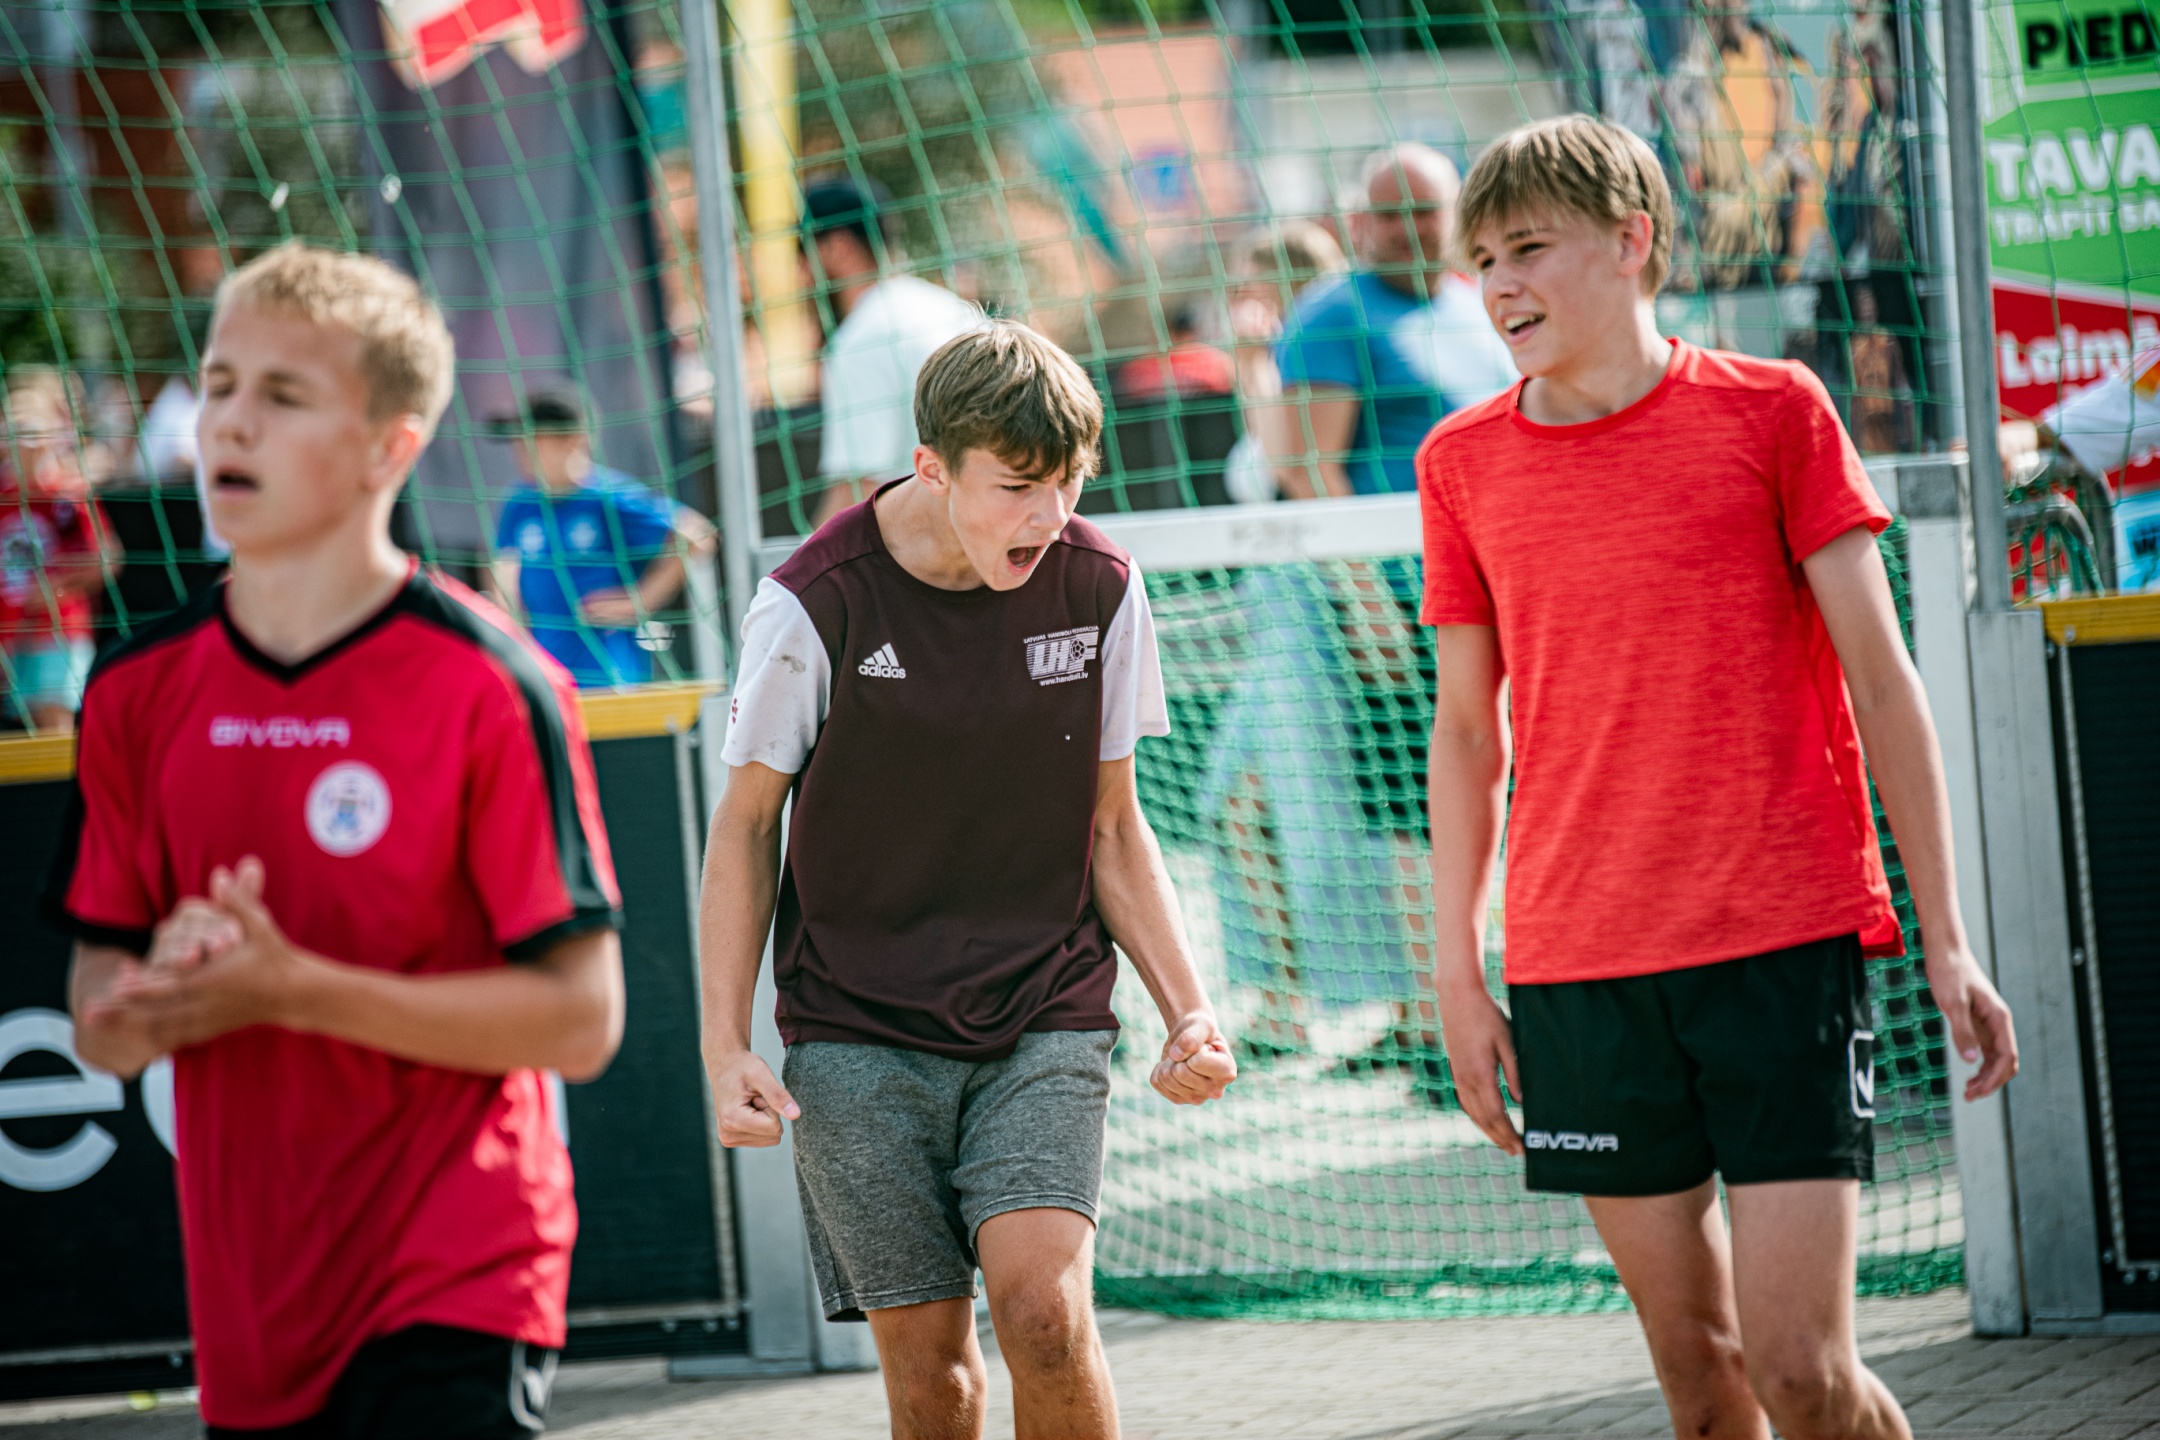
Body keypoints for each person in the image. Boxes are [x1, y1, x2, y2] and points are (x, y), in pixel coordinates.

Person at [1422, 115, 2018, 1440]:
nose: (1501, 283)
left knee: (1801, 1373)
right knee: (1702, 1379)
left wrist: (1949, 939)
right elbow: (1465, 734)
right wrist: (1457, 973)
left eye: (1530, 248)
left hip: (1782, 946)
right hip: (1578, 969)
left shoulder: (1774, 410)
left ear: (1631, 242)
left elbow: (1884, 684)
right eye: (1483, 259)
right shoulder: (1458, 464)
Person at [48, 243, 626, 1437]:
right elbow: (98, 1024)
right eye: (220, 384)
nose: (230, 422)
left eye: (283, 394)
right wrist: (161, 994)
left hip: (463, 1266)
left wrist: (294, 989)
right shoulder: (136, 691)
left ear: (388, 448)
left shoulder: (490, 683)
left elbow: (581, 1022)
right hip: (256, 1299)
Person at [700, 321, 1236, 1440]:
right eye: (1018, 487)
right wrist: (723, 1046)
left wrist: (1191, 1008)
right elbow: (745, 828)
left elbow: (1115, 824)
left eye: (1069, 482)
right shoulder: (813, 601)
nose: (1049, 515)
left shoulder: (1100, 583)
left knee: (1046, 1316)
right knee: (933, 1384)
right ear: (933, 467)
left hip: (1042, 1006)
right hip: (854, 1028)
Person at [488, 380, 716, 688]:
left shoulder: (609, 498)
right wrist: (507, 612)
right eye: (517, 441)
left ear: (574, 441)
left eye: (533, 440)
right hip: (542, 674)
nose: (520, 450)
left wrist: (642, 599)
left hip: (606, 675)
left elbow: (697, 535)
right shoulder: (520, 503)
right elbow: (501, 561)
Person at [804, 176, 982, 522]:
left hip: (935, 536)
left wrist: (801, 555)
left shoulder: (862, 338)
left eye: (802, 251)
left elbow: (857, 494)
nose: (800, 271)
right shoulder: (951, 308)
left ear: (838, 246)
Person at [1, 369, 120, 735]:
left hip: (58, 634)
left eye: (31, 428)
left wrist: (56, 590)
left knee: (54, 723)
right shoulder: (4, 496)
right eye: (13, 425)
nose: (23, 438)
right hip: (10, 634)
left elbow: (106, 559)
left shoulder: (67, 495)